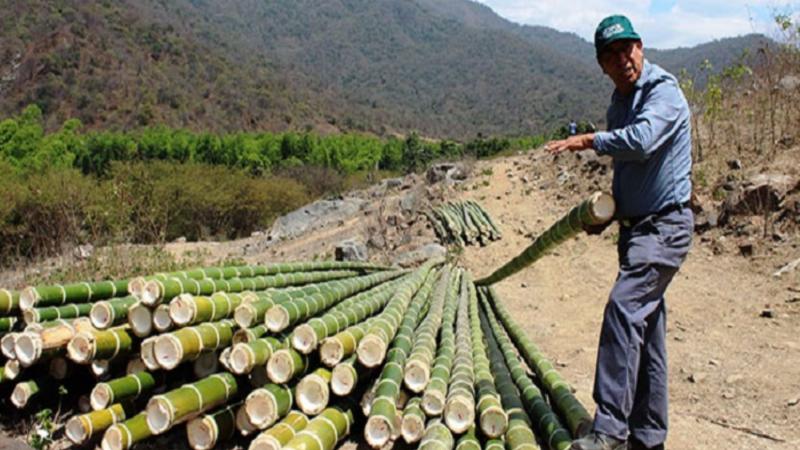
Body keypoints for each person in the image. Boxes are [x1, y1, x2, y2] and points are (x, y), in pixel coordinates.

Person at [545, 15, 693, 450]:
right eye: (611, 54)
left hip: (664, 227)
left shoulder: (662, 91)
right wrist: (609, 215)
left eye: (626, 48)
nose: (622, 59)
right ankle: (648, 438)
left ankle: (609, 431)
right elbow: (632, 169)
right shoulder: (619, 102)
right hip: (636, 231)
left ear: (640, 47)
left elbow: (643, 141)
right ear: (602, 65)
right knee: (647, 334)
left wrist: (590, 140)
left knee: (622, 310)